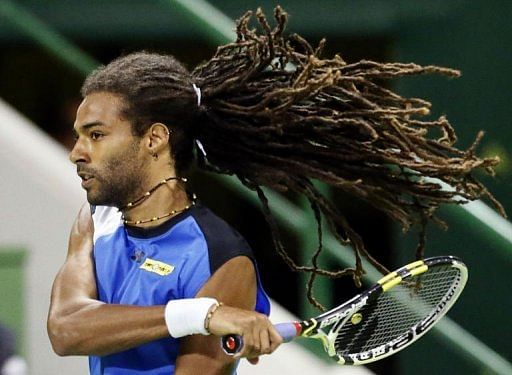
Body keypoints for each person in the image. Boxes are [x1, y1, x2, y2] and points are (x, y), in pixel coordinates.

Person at [48, 5, 504, 375]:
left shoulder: (222, 259)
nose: (77, 152)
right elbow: (66, 330)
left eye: (96, 134)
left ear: (154, 138)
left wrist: (206, 313)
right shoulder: (94, 222)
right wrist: (200, 315)